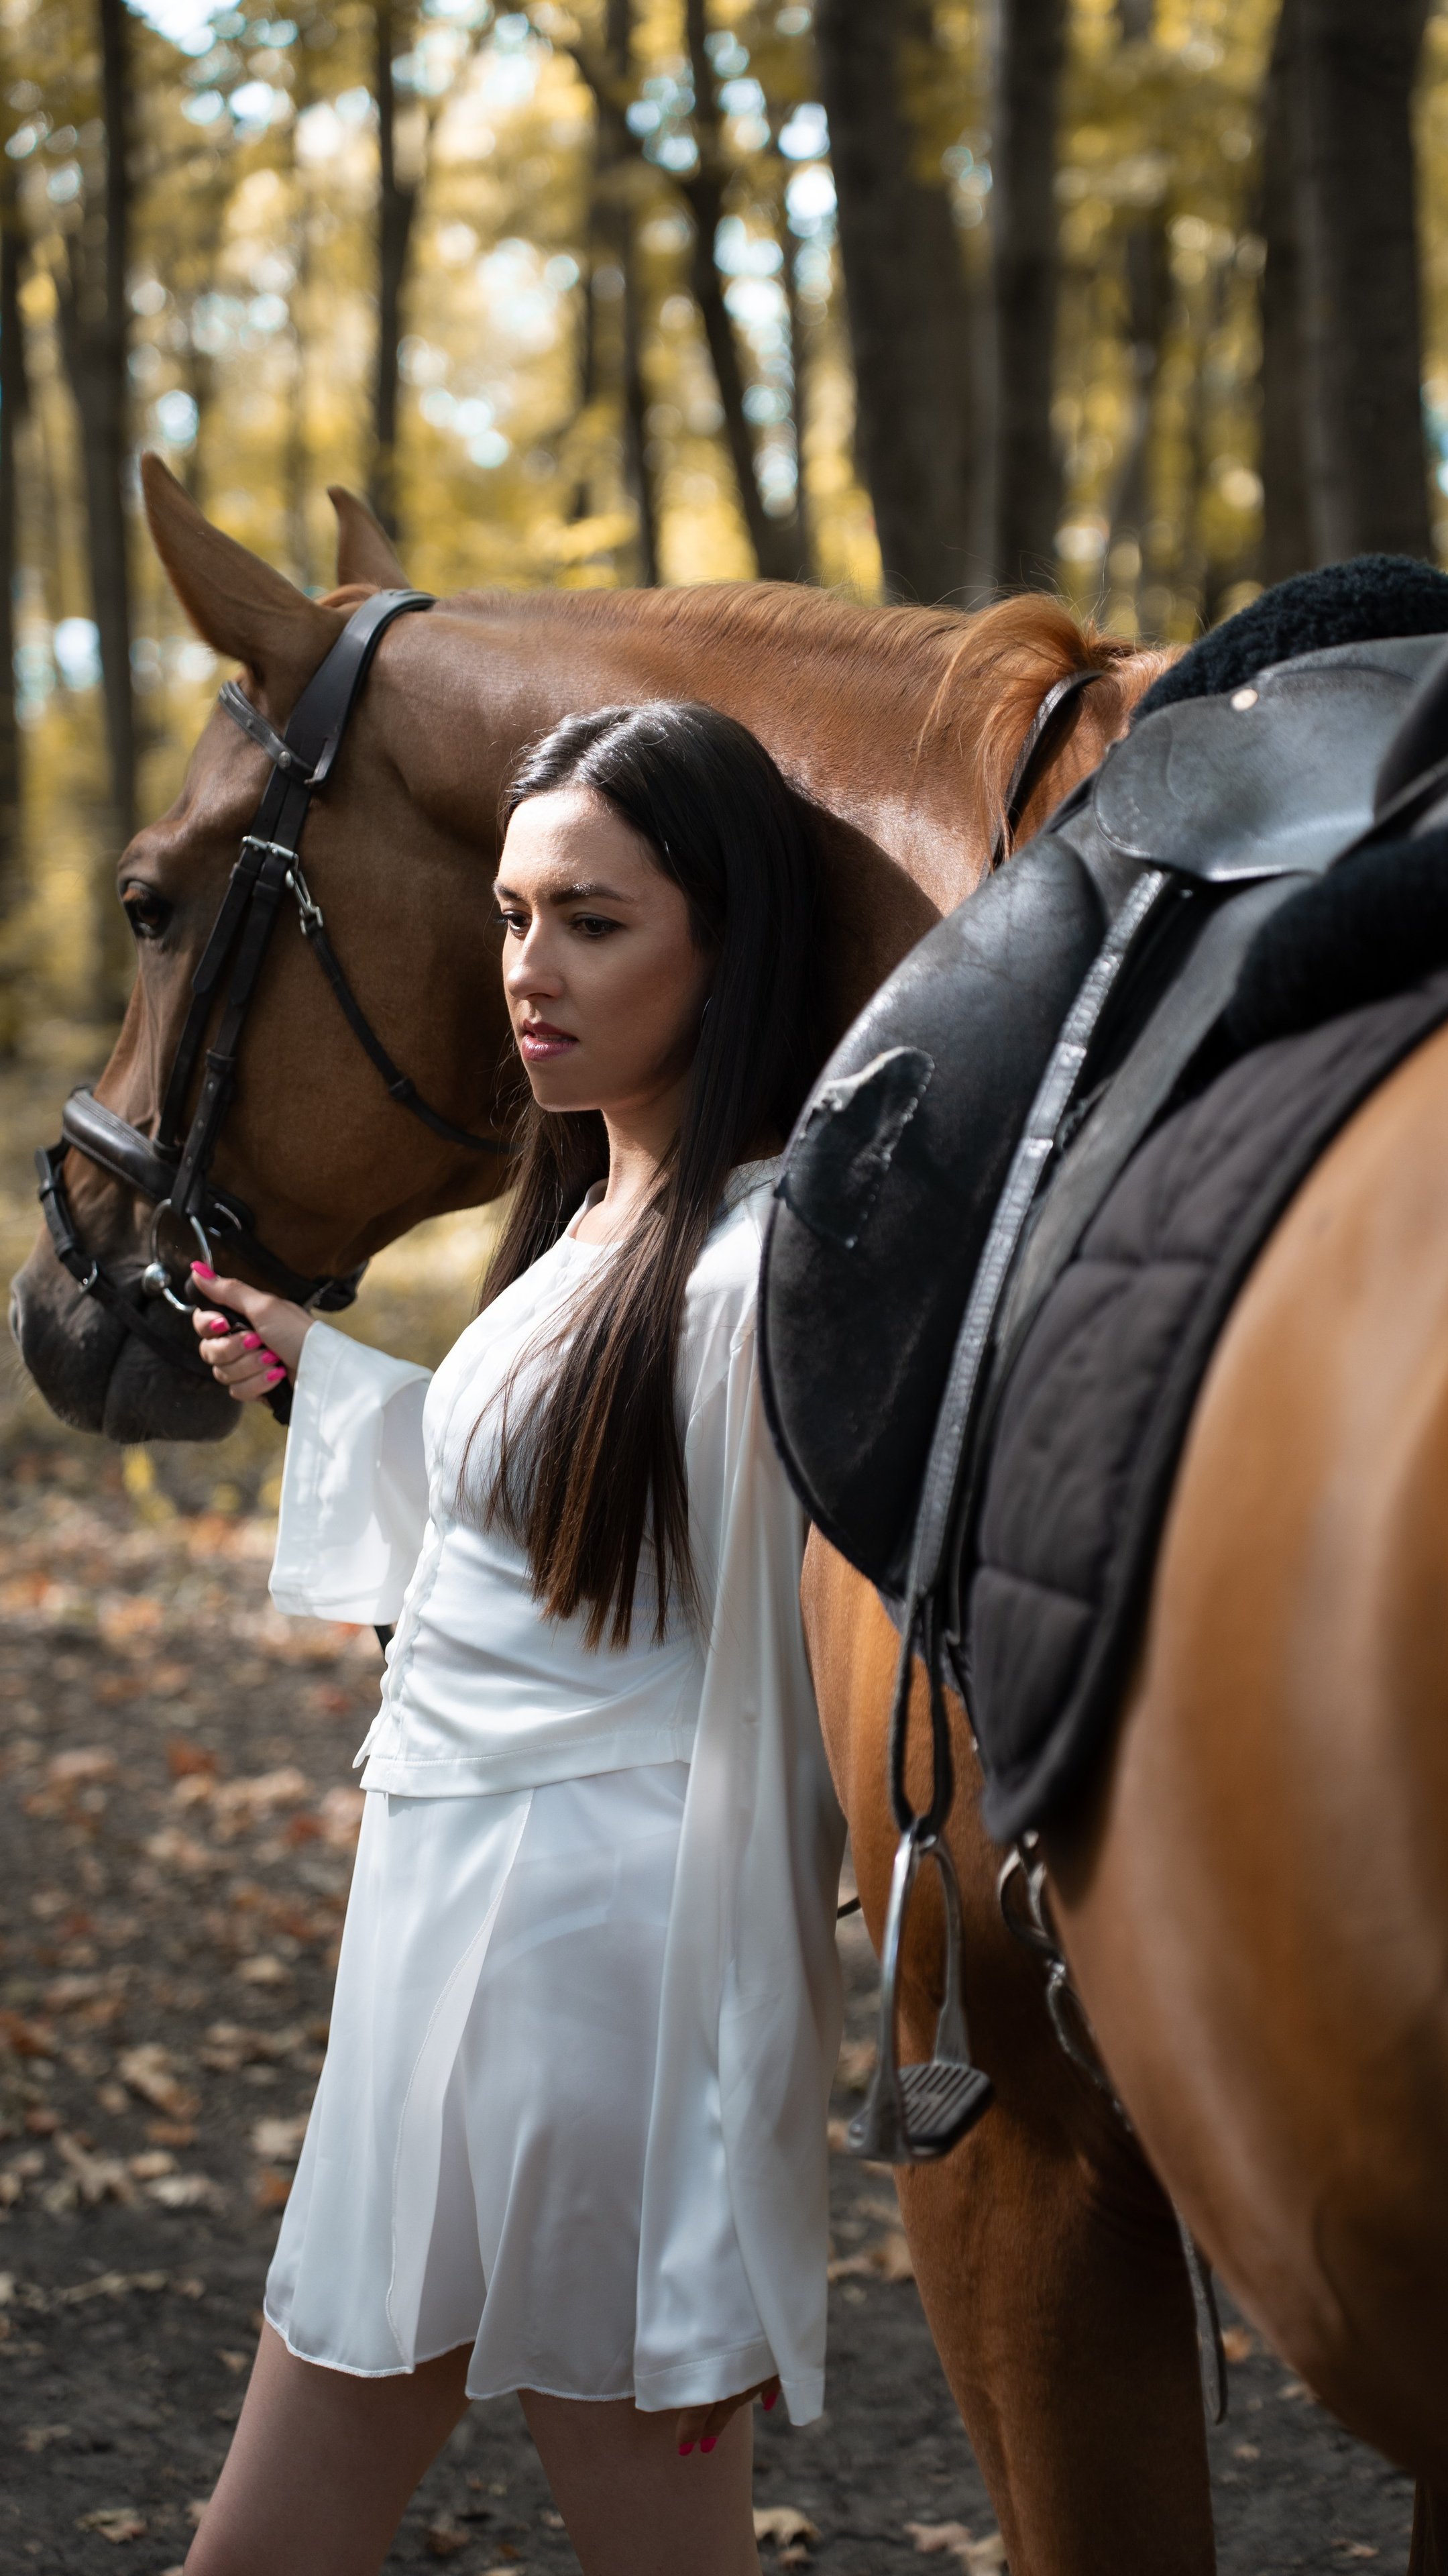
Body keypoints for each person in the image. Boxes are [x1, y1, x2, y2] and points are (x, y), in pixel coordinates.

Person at [182, 702, 846, 2576]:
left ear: (727, 948)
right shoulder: (600, 1214)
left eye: (593, 921)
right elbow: (549, 1537)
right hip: (438, 1942)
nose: (527, 973)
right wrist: (342, 1386)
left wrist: (734, 2074)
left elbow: (756, 1671)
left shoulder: (754, 1261)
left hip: (603, 1980)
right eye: (511, 914)